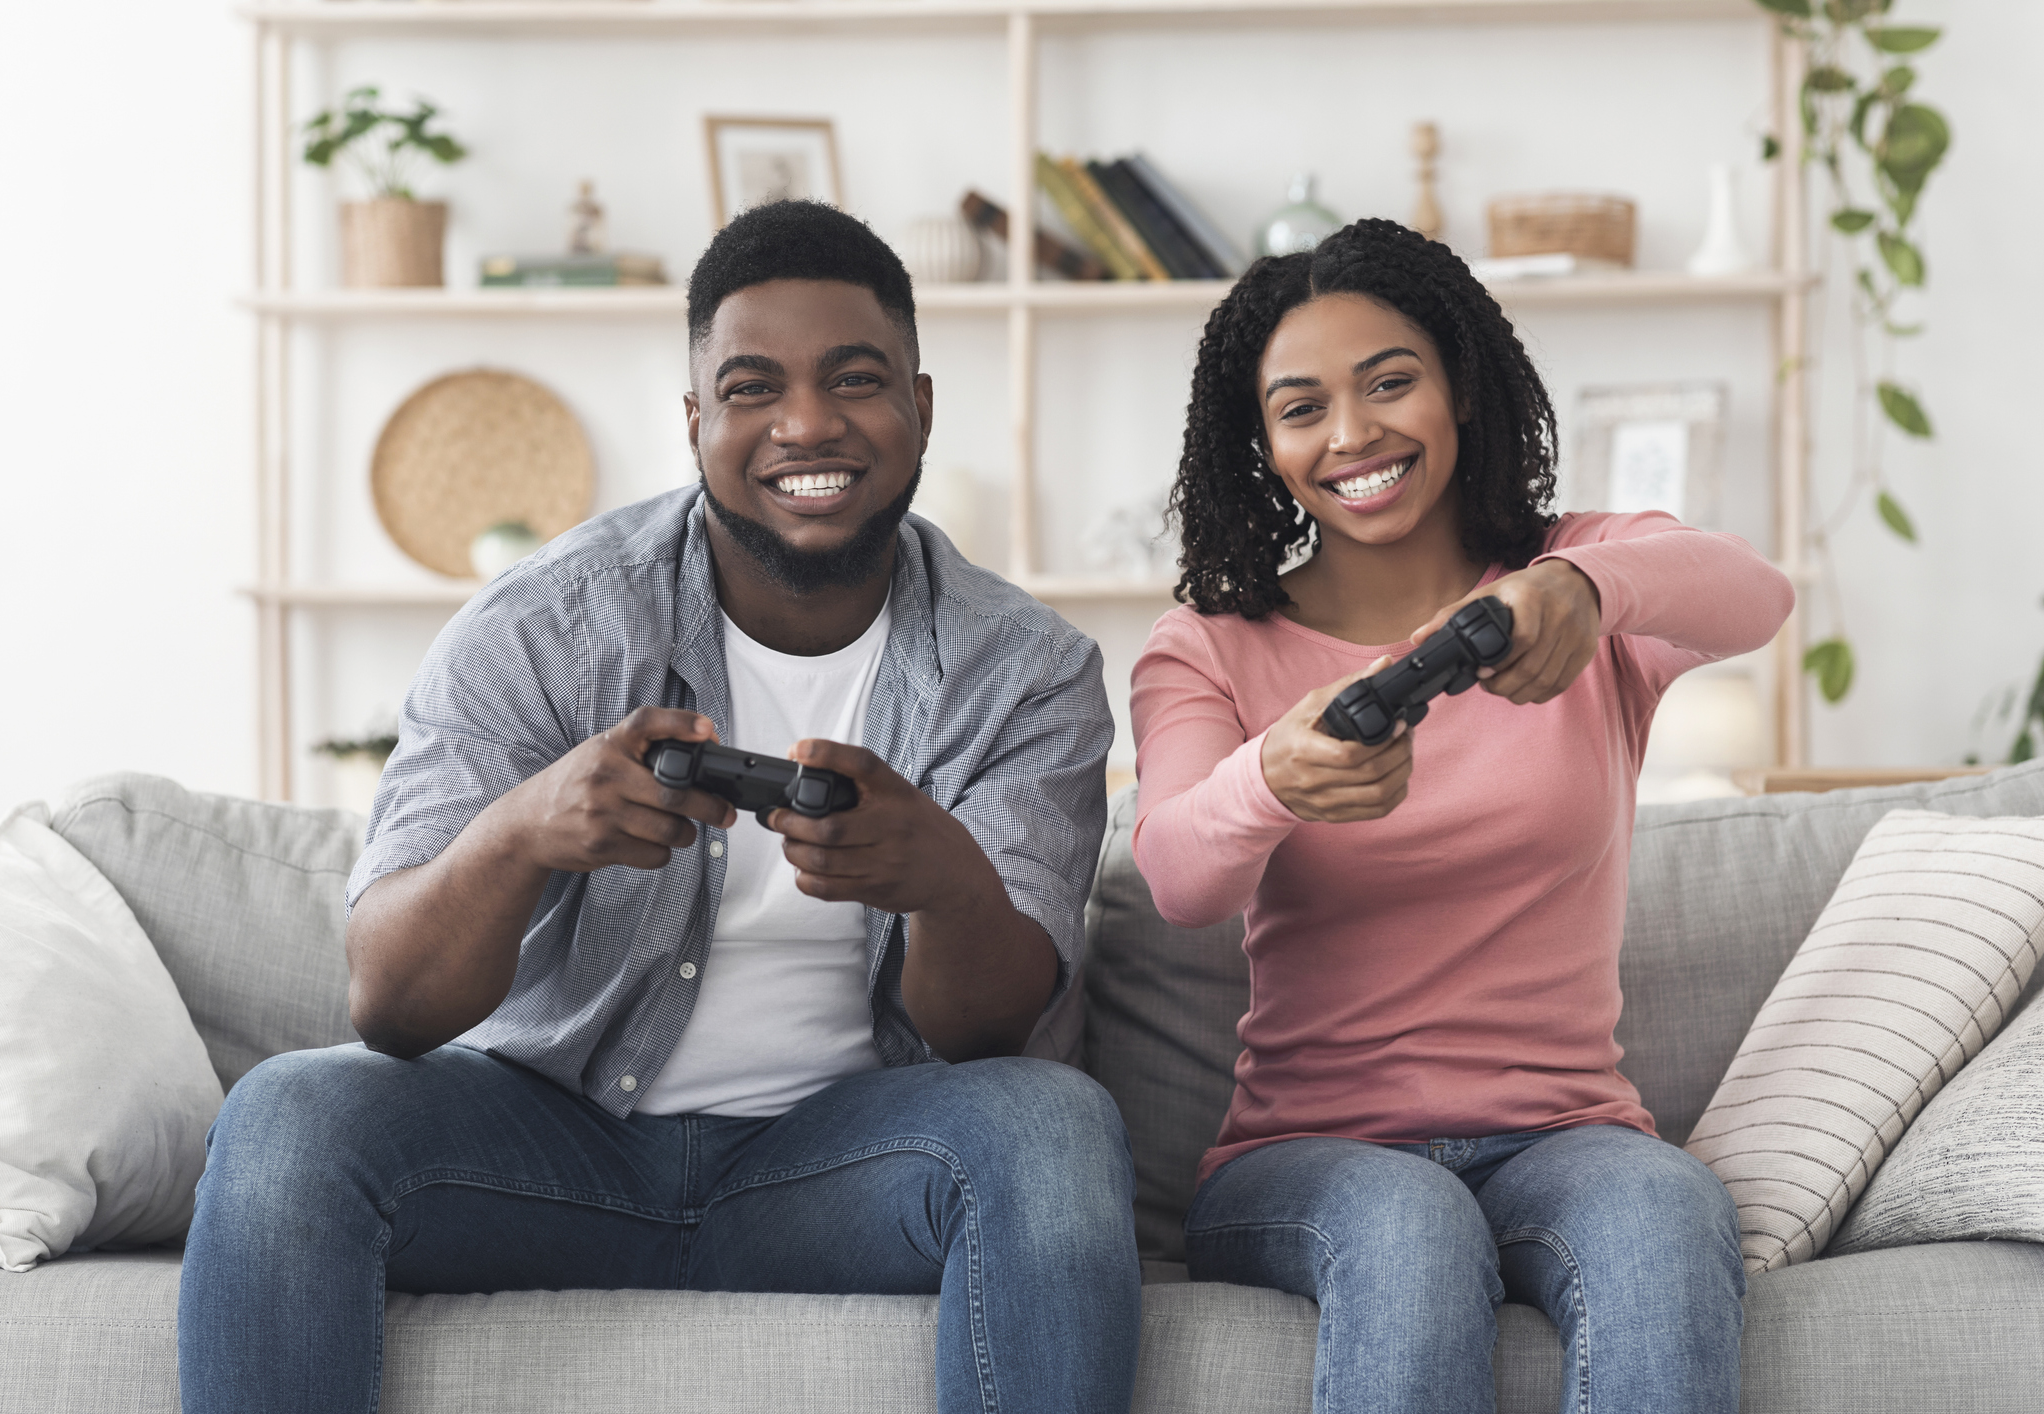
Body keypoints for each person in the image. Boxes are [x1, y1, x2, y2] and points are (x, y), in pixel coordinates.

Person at [179, 200, 1140, 1414]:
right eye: (753, 388)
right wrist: (522, 831)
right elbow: (390, 1002)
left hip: (845, 1164)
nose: (806, 424)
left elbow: (988, 1039)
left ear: (923, 408)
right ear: (697, 423)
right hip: (548, 1147)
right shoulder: (543, 625)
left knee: (1054, 1129)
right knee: (288, 1118)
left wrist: (942, 880)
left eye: (856, 379)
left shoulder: (1026, 668)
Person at [1131, 219, 1794, 1414]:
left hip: (1564, 1135)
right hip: (1305, 1159)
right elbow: (1179, 876)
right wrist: (1273, 776)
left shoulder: (1579, 586)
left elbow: (1758, 594)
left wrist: (1583, 588)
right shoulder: (1211, 647)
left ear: (1462, 389)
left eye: (1391, 382)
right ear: (1260, 442)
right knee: (1409, 1219)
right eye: (1302, 407)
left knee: (1662, 1204)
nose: (1354, 434)